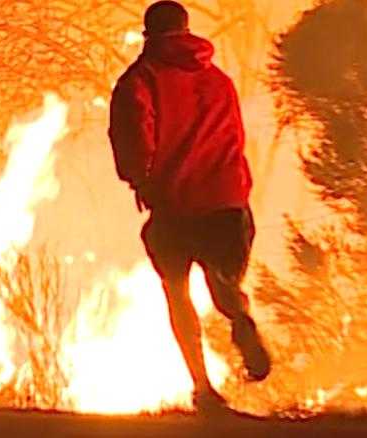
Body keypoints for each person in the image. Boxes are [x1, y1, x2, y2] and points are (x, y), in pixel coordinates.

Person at [108, 0, 271, 414]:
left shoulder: (139, 80)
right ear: (187, 30)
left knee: (178, 294)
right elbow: (234, 136)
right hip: (228, 202)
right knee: (223, 278)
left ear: (149, 35)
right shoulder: (219, 80)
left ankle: (203, 388)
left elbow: (134, 132)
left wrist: (138, 178)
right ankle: (235, 309)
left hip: (175, 205)